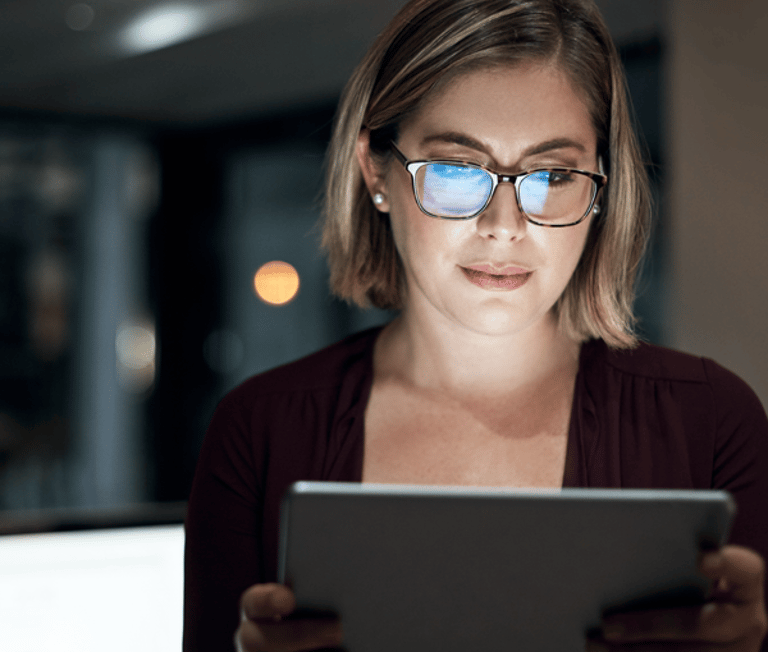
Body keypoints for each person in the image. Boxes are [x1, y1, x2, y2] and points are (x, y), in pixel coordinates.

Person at [183, 0, 768, 650]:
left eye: (552, 175)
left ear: (600, 186)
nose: (504, 226)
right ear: (375, 170)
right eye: (458, 171)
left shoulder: (710, 423)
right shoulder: (259, 433)